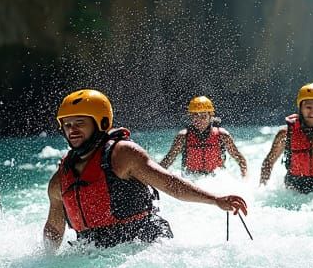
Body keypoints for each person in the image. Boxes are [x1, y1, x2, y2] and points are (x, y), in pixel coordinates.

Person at [43, 89, 247, 251]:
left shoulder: (123, 154)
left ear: (102, 122)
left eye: (80, 123)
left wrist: (216, 200)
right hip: (94, 249)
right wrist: (47, 261)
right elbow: (54, 227)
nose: (72, 129)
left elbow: (170, 184)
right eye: (67, 124)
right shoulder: (61, 177)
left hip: (143, 243)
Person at [160, 96, 247, 177]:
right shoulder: (183, 137)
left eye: (203, 116)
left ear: (211, 117)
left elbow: (240, 160)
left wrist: (245, 178)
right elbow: (167, 162)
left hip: (217, 179)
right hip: (191, 179)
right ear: (190, 117)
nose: (199, 120)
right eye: (195, 116)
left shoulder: (222, 136)